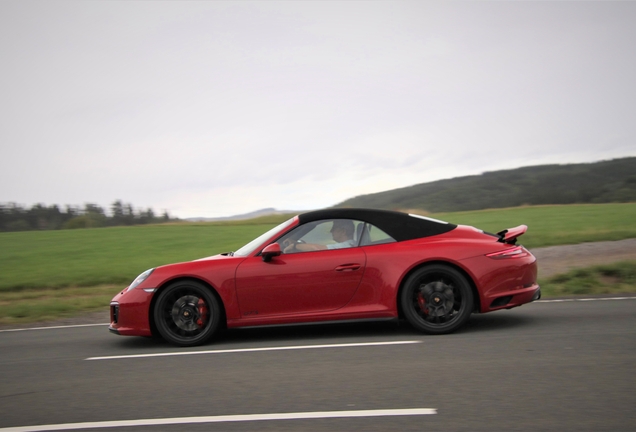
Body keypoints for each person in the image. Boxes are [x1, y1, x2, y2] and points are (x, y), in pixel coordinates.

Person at [283, 219, 356, 253]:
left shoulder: (345, 246)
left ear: (343, 231)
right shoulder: (352, 244)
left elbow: (316, 248)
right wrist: (298, 244)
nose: (331, 231)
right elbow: (321, 247)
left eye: (334, 228)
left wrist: (295, 246)